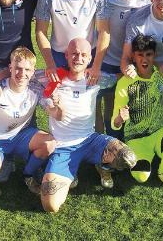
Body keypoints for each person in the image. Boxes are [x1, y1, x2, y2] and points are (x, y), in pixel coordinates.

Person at [39, 38, 136, 213]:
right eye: (74, 54)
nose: (78, 58)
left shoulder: (96, 78)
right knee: (50, 205)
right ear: (66, 55)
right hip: (63, 146)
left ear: (90, 58)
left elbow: (121, 78)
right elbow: (23, 72)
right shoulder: (52, 79)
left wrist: (131, 70)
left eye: (84, 55)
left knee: (127, 157)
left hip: (90, 140)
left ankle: (102, 165)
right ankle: (70, 171)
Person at [0, 47, 56, 197]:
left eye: (27, 70)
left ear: (33, 72)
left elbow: (52, 109)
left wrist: (55, 104)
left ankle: (28, 176)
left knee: (50, 143)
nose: (22, 74)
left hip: (20, 135)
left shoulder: (36, 87)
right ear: (10, 68)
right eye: (18, 68)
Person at [111, 34, 163, 191]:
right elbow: (115, 123)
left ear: (155, 55)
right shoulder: (125, 82)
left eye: (148, 54)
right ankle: (146, 157)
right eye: (140, 55)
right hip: (136, 137)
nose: (144, 59)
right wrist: (120, 118)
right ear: (133, 57)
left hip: (161, 132)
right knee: (141, 177)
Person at [34, 0, 109, 85]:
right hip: (59, 57)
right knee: (59, 102)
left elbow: (104, 31)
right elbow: (40, 31)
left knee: (87, 100)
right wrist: (50, 64)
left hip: (86, 57)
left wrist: (96, 66)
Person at [98, 0, 150, 133]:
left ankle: (133, 142)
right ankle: (107, 142)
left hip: (133, 63)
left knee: (132, 105)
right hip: (108, 60)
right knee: (110, 104)